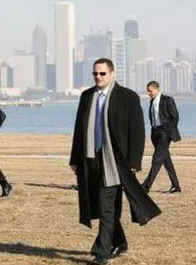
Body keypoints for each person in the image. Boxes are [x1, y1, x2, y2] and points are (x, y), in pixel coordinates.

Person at [70, 58, 161, 265]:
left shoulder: (127, 97)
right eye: (95, 74)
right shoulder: (86, 96)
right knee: (101, 204)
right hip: (91, 159)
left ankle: (102, 252)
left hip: (116, 161)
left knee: (107, 206)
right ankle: (120, 242)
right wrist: (75, 158)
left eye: (102, 73)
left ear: (112, 74)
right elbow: (79, 130)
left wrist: (134, 162)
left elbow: (137, 131)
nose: (98, 77)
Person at [142, 81, 182, 194]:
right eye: (148, 91)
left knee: (156, 159)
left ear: (156, 89)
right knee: (166, 161)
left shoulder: (167, 100)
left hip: (165, 133)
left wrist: (167, 131)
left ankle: (146, 186)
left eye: (150, 91)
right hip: (155, 133)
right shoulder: (152, 101)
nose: (149, 93)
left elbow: (175, 117)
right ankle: (176, 186)